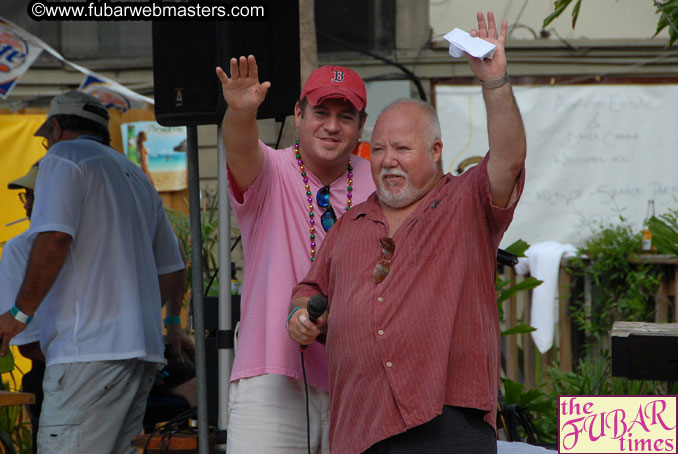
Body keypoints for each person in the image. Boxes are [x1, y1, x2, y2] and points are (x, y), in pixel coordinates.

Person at [288, 12, 526, 454]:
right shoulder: (349, 225)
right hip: (359, 423)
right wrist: (302, 315)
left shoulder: (466, 203)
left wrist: (495, 82)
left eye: (401, 148)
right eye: (377, 149)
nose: (387, 159)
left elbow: (508, 159)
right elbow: (310, 288)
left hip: (447, 420)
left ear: (436, 152)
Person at [0, 90, 186, 454]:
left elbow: (54, 237)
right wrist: (142, 317)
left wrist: (19, 314)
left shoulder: (63, 157)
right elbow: (172, 265)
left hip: (87, 356)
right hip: (139, 352)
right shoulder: (135, 173)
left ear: (55, 128)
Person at [215, 56, 375, 453]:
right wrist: (239, 113)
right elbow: (239, 148)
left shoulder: (378, 179)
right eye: (321, 112)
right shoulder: (270, 167)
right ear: (299, 114)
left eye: (346, 116)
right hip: (271, 375)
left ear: (361, 126)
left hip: (357, 378)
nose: (333, 126)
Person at [0, 160, 43, 453]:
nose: (26, 205)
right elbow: (27, 345)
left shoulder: (21, 247)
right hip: (52, 369)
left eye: (32, 195)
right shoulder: (19, 247)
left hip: (60, 372)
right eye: (25, 196)